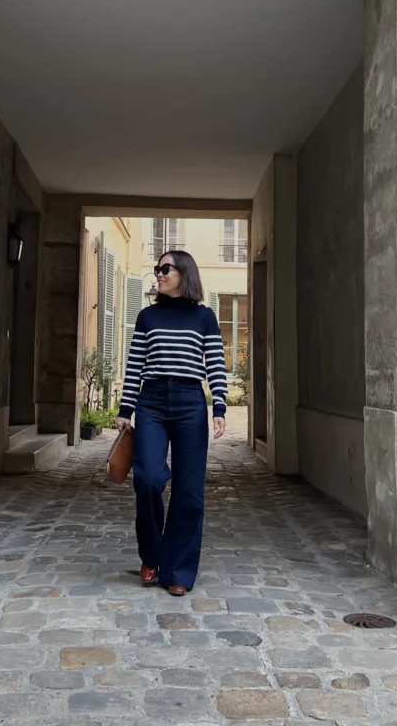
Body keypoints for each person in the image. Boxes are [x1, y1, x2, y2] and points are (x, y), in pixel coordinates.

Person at [116, 250, 227, 596]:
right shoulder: (147, 316)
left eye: (166, 268)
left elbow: (215, 362)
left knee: (189, 490)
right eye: (157, 269)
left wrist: (220, 405)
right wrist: (125, 408)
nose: (159, 274)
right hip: (151, 402)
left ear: (185, 273)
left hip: (190, 402)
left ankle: (178, 569)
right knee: (148, 478)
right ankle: (152, 555)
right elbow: (135, 364)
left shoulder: (204, 317)